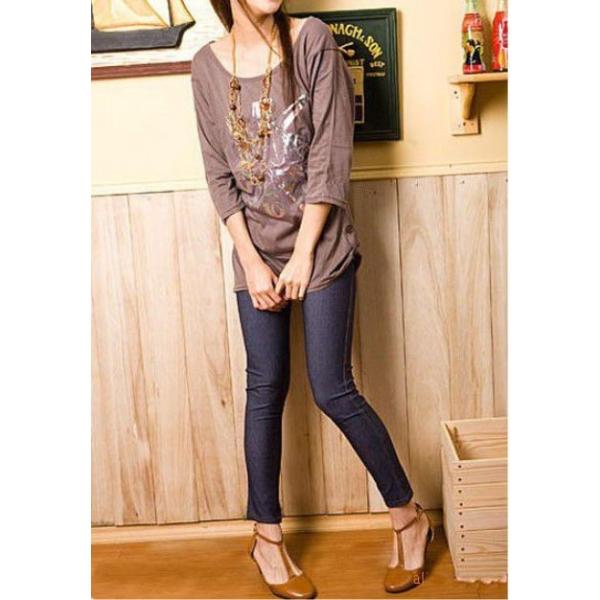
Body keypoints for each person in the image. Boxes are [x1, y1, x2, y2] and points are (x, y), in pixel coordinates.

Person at [191, 1, 433, 597]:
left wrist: (302, 254)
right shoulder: (206, 66)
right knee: (264, 389)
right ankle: (266, 537)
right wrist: (252, 262)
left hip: (320, 247)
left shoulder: (313, 39)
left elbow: (330, 155)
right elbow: (219, 173)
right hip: (255, 253)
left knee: (331, 388)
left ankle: (408, 516)